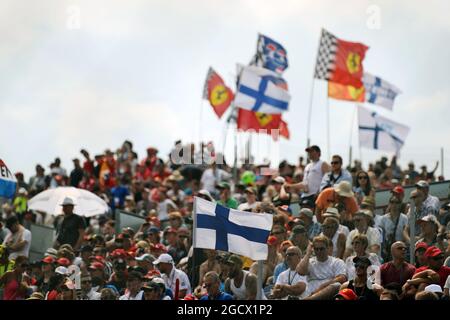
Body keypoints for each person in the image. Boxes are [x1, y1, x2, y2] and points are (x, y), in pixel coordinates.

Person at [379, 195, 408, 261]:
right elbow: (381, 235)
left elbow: (406, 232)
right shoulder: (383, 219)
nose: (394, 204)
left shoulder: (404, 218)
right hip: (388, 249)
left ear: (400, 204)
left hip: (400, 247)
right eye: (392, 202)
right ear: (389, 204)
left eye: (396, 202)